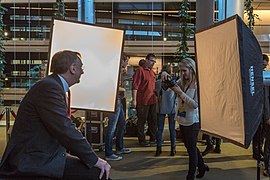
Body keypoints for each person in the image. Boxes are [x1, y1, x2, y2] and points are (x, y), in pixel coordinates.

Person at [0, 50, 111, 180]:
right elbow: (64, 128)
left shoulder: (51, 85)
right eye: (81, 67)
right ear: (73, 68)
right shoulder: (49, 87)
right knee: (98, 174)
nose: (83, 71)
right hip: (32, 159)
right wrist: (94, 159)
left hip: (43, 153)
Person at [171, 58, 209, 180]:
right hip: (182, 119)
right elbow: (167, 88)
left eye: (185, 71)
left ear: (192, 70)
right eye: (181, 71)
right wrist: (166, 79)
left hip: (193, 121)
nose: (183, 73)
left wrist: (180, 93)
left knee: (191, 150)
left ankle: (190, 176)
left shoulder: (198, 84)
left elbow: (195, 104)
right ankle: (202, 166)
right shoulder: (181, 82)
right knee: (189, 146)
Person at [105, 53, 132, 161]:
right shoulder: (112, 70)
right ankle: (109, 152)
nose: (127, 64)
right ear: (122, 60)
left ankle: (119, 147)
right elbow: (110, 85)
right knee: (112, 127)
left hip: (118, 100)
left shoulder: (118, 71)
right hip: (114, 100)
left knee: (122, 123)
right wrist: (122, 89)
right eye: (126, 61)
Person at [132, 53, 158, 147]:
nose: (153, 63)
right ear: (146, 60)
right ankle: (142, 140)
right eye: (151, 61)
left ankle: (153, 138)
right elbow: (135, 86)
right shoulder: (140, 71)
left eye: (154, 61)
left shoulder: (151, 72)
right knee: (142, 121)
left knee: (153, 120)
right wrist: (134, 100)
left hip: (152, 100)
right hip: (143, 100)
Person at [155, 64, 177, 156]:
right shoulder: (172, 82)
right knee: (172, 129)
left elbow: (155, 92)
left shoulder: (158, 82)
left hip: (160, 107)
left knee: (160, 129)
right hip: (172, 107)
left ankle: (159, 149)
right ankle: (173, 149)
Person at [253, 54, 270, 163]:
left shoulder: (266, 76)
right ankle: (256, 152)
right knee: (257, 133)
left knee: (263, 133)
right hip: (258, 109)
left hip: (265, 109)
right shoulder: (256, 76)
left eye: (265, 65)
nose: (264, 66)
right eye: (263, 64)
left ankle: (259, 150)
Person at [261, 54, 270, 177]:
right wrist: (267, 116)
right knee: (269, 144)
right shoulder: (267, 77)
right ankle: (268, 167)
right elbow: (266, 98)